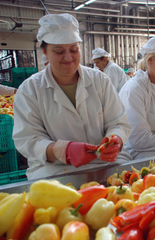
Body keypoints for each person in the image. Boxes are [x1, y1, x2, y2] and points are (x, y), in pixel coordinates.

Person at [12, 13, 132, 180]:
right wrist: (62, 151)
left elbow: (118, 122)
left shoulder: (99, 81)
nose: (68, 57)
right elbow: (27, 139)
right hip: (55, 169)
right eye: (59, 51)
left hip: (106, 163)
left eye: (74, 49)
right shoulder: (29, 90)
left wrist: (116, 139)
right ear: (45, 51)